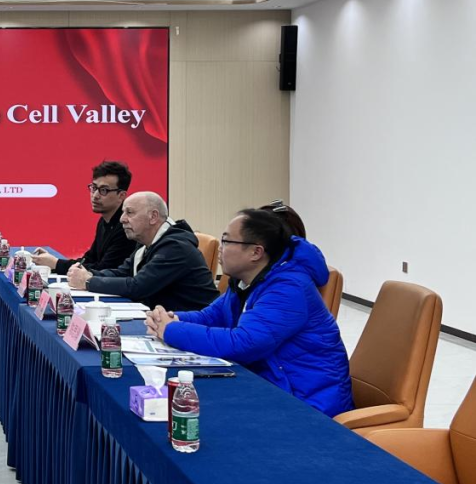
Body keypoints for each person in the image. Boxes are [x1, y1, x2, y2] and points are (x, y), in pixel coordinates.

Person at [145, 208, 353, 418]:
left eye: (227, 241)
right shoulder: (247, 280)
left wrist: (171, 330)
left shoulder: (289, 288)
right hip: (270, 383)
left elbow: (244, 343)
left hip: (307, 403)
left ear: (256, 252)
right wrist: (171, 318)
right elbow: (211, 317)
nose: (221, 248)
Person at [67, 191, 216, 311]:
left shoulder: (176, 247)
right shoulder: (146, 242)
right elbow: (123, 272)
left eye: (130, 212)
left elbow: (138, 286)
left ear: (153, 217)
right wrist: (89, 273)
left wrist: (88, 281)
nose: (122, 219)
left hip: (193, 323)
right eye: (123, 212)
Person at [32, 160, 136, 275]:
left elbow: (103, 270)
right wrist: (52, 262)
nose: (95, 195)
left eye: (104, 190)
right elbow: (90, 259)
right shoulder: (104, 220)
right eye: (94, 188)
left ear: (121, 195)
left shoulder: (127, 226)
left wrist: (56, 263)